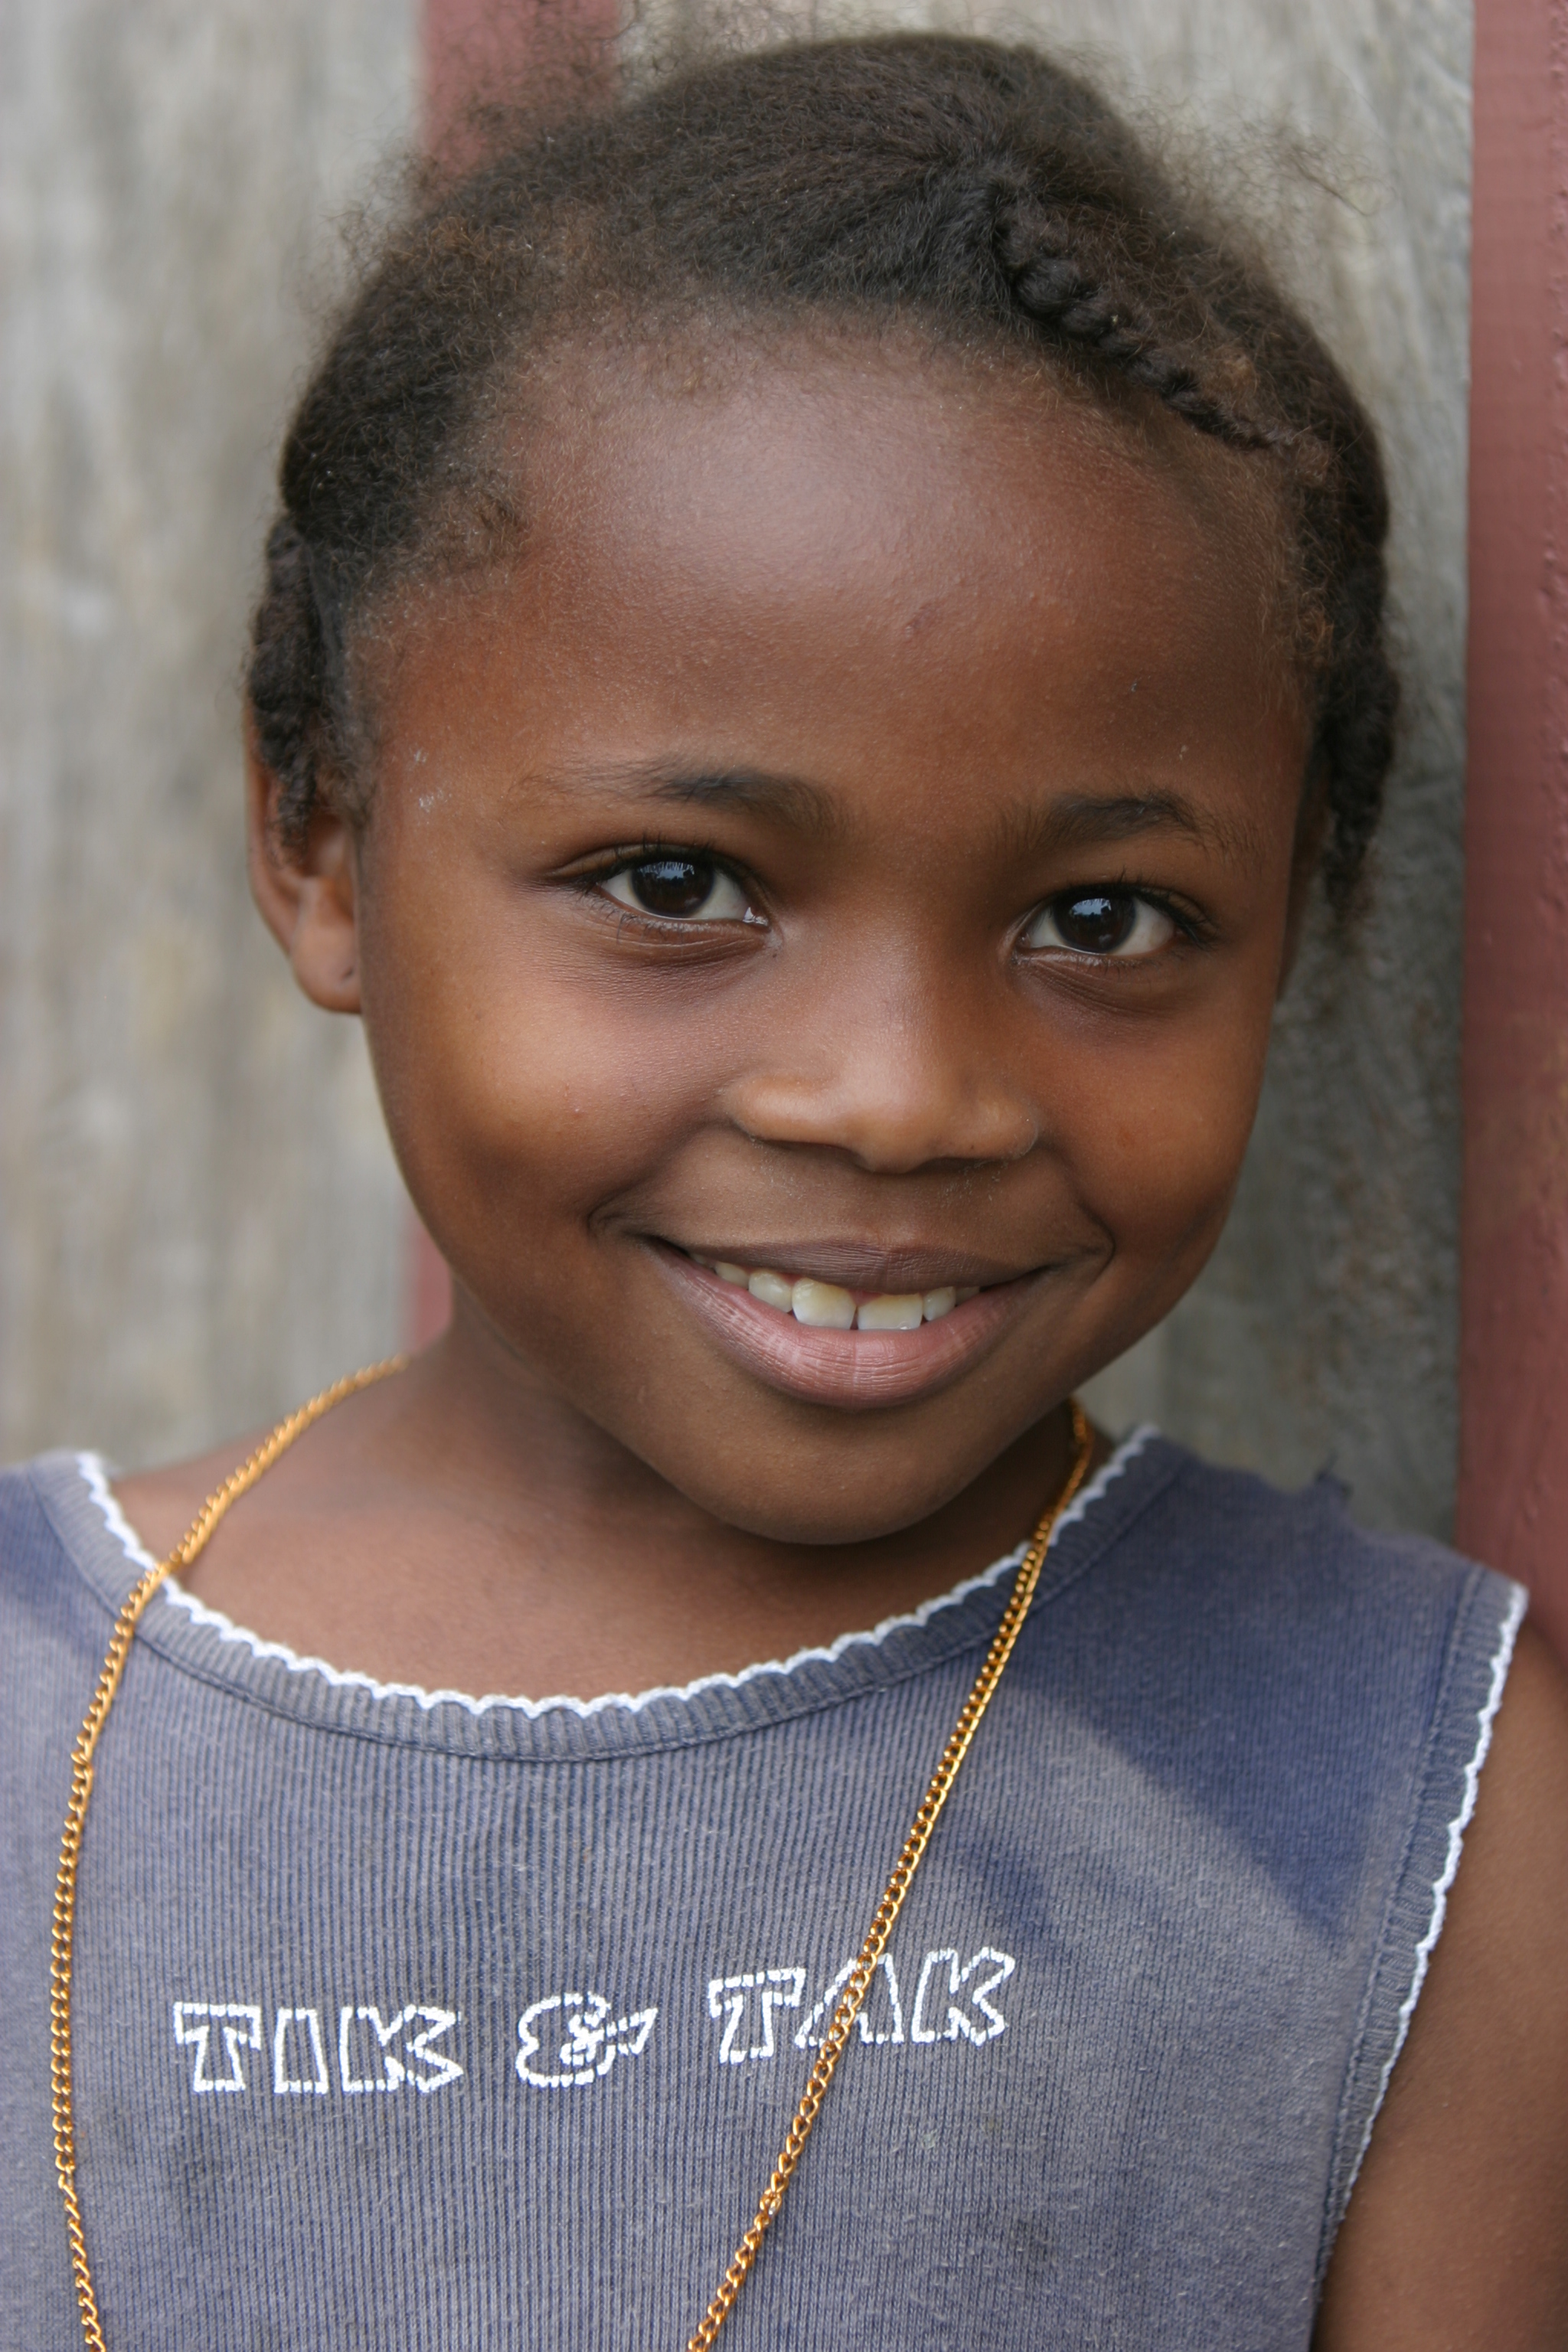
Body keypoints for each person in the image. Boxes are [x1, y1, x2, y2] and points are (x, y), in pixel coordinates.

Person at [3, 31, 1565, 2350]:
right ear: (318, 834)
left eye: (1103, 920)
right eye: (677, 883)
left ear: (1299, 915)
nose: (900, 1101)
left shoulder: (1394, 1796)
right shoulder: (37, 1712)